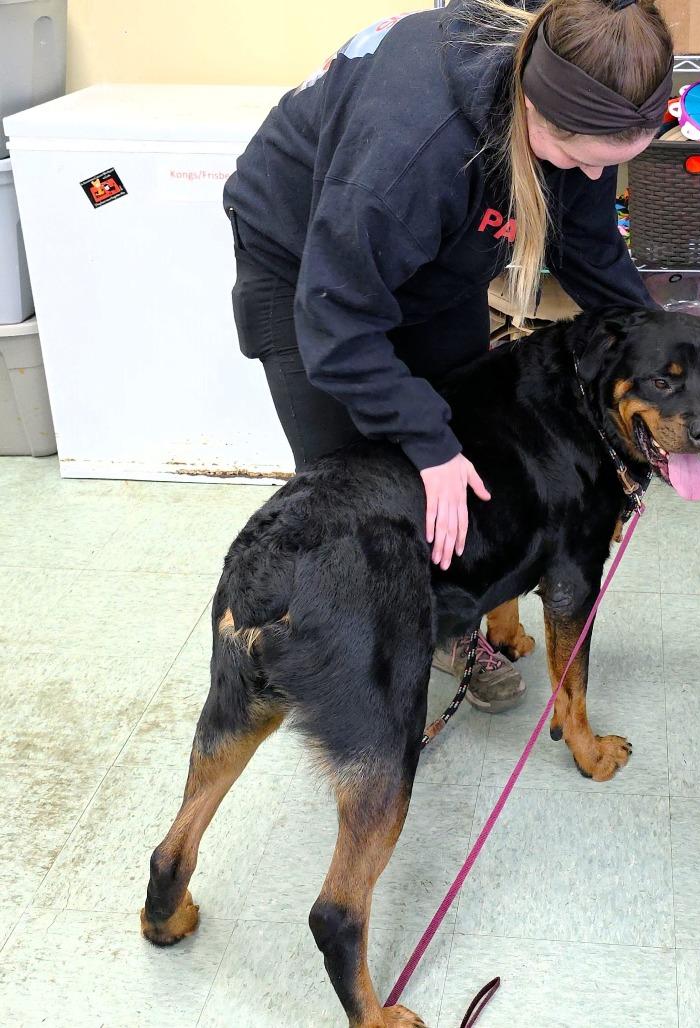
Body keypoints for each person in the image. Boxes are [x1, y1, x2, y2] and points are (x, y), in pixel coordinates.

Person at [223, 0, 672, 713]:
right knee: (362, 487)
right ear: (535, 109)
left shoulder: (582, 123)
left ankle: (442, 623)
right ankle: (358, 678)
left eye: (608, 167)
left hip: (438, 253)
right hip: (309, 258)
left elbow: (588, 246)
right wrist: (427, 445)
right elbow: (338, 324)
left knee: (470, 445)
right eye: (580, 161)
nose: (590, 179)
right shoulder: (412, 149)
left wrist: (661, 343)